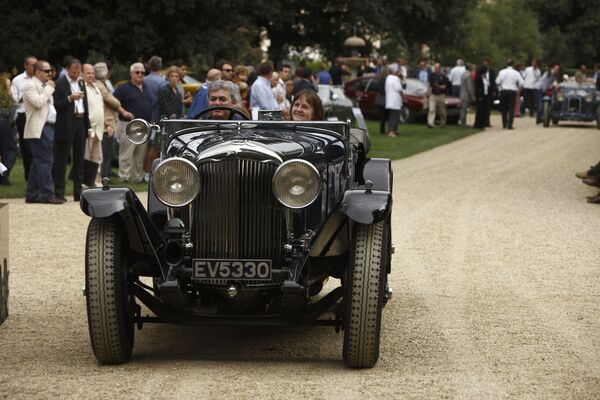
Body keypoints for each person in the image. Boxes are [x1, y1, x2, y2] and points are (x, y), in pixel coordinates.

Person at [22, 60, 62, 204]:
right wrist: (49, 89)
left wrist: (48, 88)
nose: (50, 73)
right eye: (46, 71)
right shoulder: (30, 86)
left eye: (50, 70)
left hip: (48, 127)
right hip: (40, 129)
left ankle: (32, 195)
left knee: (37, 163)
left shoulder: (44, 86)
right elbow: (38, 103)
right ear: (37, 72)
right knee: (45, 162)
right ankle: (47, 194)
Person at [53, 58, 91, 202]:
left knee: (79, 159)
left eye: (78, 71)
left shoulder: (81, 82)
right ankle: (59, 192)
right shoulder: (59, 83)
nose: (76, 74)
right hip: (66, 123)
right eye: (73, 71)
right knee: (61, 159)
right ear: (67, 69)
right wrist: (70, 98)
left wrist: (88, 127)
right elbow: (56, 105)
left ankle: (77, 192)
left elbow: (86, 105)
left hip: (81, 122)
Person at [113, 62, 154, 183]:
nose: (140, 74)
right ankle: (124, 177)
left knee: (140, 154)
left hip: (144, 125)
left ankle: (138, 177)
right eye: (137, 72)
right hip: (128, 124)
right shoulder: (123, 88)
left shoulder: (146, 87)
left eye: (142, 72)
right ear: (131, 74)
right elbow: (113, 102)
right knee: (126, 152)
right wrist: (123, 111)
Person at [94, 62, 133, 180]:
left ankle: (104, 177)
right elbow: (112, 100)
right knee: (104, 154)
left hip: (108, 122)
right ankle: (102, 178)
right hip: (105, 123)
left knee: (106, 154)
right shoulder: (99, 85)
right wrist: (120, 107)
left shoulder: (102, 84)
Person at [11, 55, 37, 181]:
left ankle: (40, 176)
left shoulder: (40, 78)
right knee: (26, 148)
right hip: (24, 115)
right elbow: (14, 99)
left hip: (38, 115)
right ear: (26, 65)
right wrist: (25, 95)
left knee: (39, 147)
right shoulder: (17, 80)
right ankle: (29, 177)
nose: (35, 67)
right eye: (32, 65)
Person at [81, 64, 104, 188]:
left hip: (99, 128)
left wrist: (106, 124)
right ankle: (85, 183)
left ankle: (96, 182)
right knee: (86, 156)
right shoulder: (81, 87)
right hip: (88, 128)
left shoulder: (96, 87)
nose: (90, 75)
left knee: (97, 157)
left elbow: (100, 108)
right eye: (88, 73)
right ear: (82, 74)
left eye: (92, 73)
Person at [0, 63, 17, 185]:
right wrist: (8, 88)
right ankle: (3, 174)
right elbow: (11, 104)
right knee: (10, 149)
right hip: (3, 121)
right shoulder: (4, 87)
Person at [496, 59, 524, 129]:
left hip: (504, 91)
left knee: (504, 108)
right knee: (511, 108)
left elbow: (497, 81)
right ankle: (510, 125)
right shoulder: (516, 73)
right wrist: (517, 88)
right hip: (512, 91)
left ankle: (504, 124)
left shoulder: (502, 72)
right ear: (513, 64)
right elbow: (522, 83)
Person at [474, 59, 496, 129]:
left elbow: (492, 83)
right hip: (481, 94)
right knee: (480, 110)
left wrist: (493, 91)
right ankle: (479, 124)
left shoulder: (491, 72)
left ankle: (486, 122)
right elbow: (477, 86)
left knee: (487, 108)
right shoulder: (479, 75)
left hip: (487, 93)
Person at [427, 62, 449, 128]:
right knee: (432, 109)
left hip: (441, 95)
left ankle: (443, 123)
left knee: (442, 111)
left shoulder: (443, 77)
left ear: (440, 68)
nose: (436, 69)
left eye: (438, 68)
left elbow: (444, 86)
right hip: (433, 94)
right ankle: (430, 123)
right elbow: (430, 84)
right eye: (435, 68)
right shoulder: (431, 76)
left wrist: (438, 86)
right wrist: (429, 91)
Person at [384, 65, 404, 137]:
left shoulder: (388, 78)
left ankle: (393, 130)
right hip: (395, 101)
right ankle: (391, 131)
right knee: (394, 117)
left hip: (390, 100)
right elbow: (399, 89)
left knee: (392, 116)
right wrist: (403, 97)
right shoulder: (395, 78)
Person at [144, 55, 165, 121]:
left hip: (144, 112)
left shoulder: (143, 80)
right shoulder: (162, 82)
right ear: (160, 66)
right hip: (157, 114)